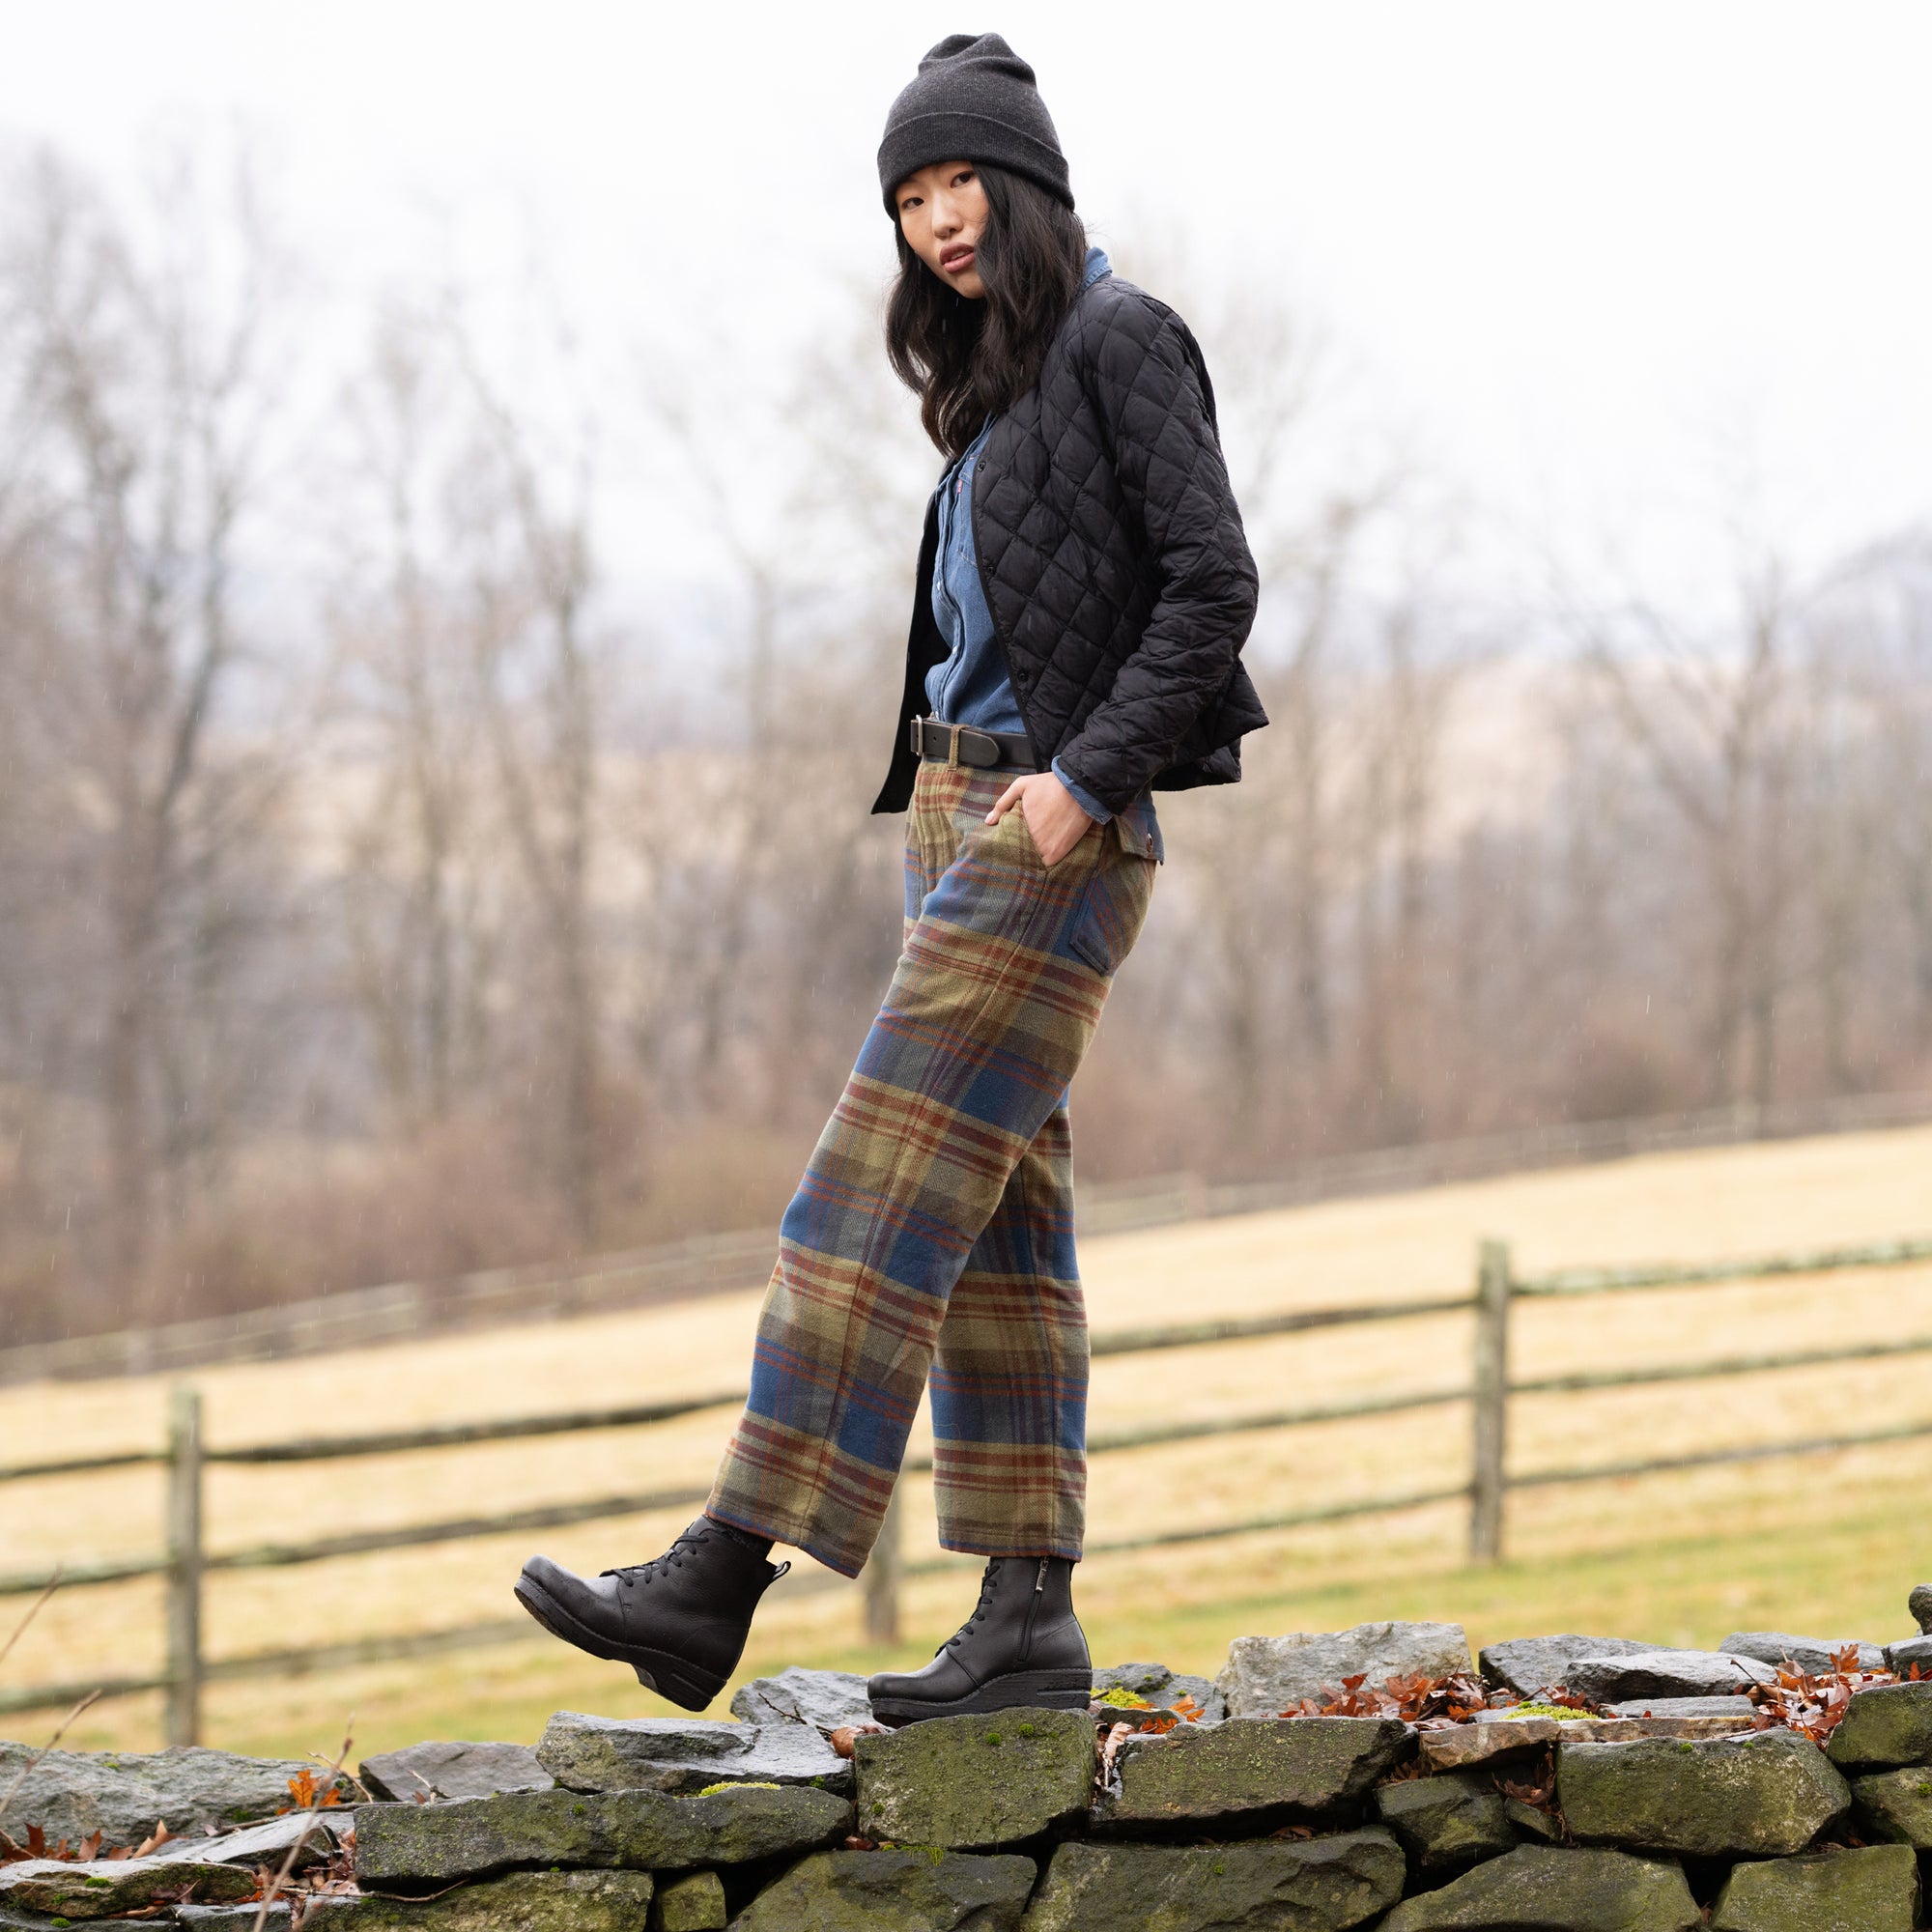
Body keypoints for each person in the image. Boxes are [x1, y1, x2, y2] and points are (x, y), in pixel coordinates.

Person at [515, 31, 1264, 1726]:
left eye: (959, 183)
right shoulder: (1004, 379)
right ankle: (1027, 1622)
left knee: (865, 1190)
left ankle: (726, 1564)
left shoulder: (1123, 336)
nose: (935, 220)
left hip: (1047, 831)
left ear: (1031, 182)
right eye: (909, 196)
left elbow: (1214, 585)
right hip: (962, 815)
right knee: (999, 1227)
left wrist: (1079, 787)